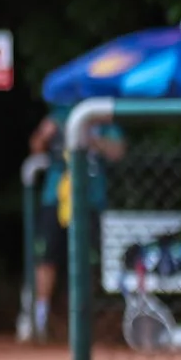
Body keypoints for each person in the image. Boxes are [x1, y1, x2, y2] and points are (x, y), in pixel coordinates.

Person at [29, 105, 125, 339]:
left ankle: (82, 320)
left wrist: (91, 140)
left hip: (89, 200)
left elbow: (118, 152)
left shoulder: (104, 118)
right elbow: (35, 147)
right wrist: (44, 135)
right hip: (56, 198)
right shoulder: (58, 114)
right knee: (47, 258)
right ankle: (39, 321)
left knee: (87, 261)